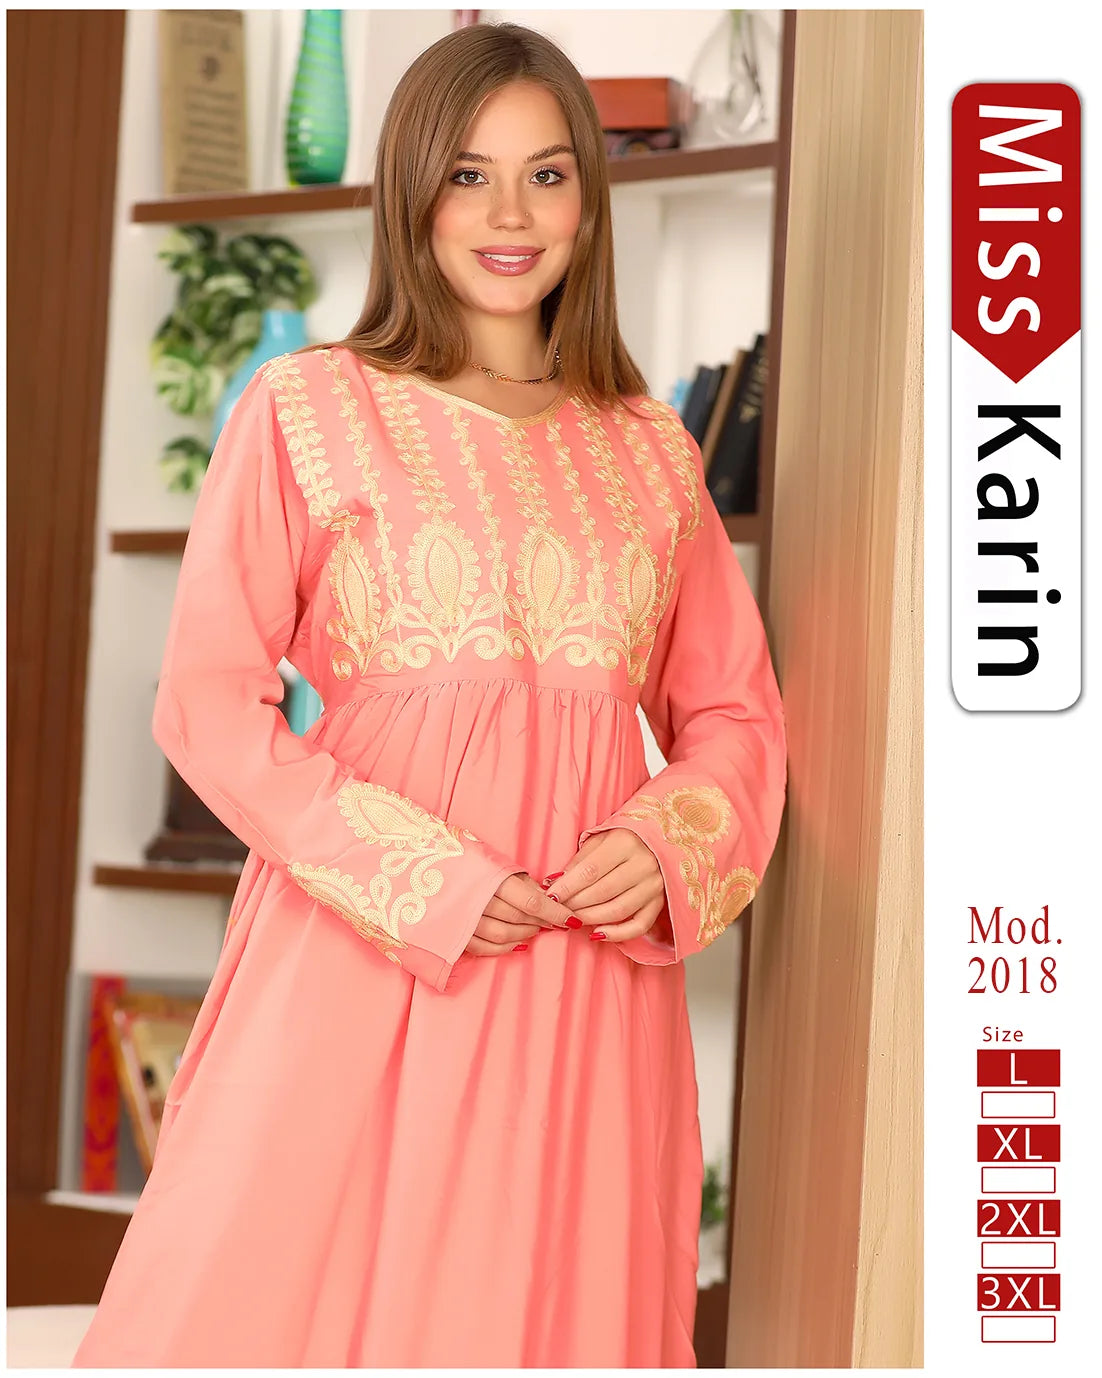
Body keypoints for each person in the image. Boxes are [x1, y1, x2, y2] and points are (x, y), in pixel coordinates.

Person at [72, 20, 787, 1369]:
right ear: (412, 189)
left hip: (581, 971)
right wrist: (423, 877)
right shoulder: (307, 408)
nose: (510, 214)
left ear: (588, 199)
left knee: (547, 1298)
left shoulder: (651, 450)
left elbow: (737, 717)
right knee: (292, 1286)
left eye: (546, 174)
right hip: (367, 941)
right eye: (468, 174)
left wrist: (662, 843)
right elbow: (209, 702)